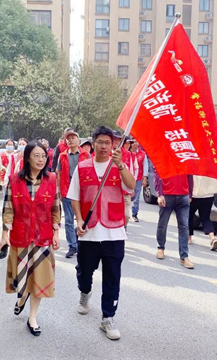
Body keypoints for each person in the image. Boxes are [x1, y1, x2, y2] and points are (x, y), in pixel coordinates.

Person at [68, 126, 135, 340]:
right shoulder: (82, 167)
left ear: (113, 144)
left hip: (114, 232)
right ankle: (84, 293)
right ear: (93, 143)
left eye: (108, 142)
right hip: (89, 232)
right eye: (100, 142)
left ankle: (108, 318)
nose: (104, 146)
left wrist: (121, 165)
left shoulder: (119, 166)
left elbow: (131, 185)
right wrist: (79, 219)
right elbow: (74, 197)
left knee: (112, 277)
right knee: (84, 272)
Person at [0, 141, 60, 337]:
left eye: (43, 156)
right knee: (23, 279)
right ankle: (22, 296)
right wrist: (4, 235)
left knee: (39, 279)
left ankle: (32, 318)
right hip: (21, 236)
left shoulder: (51, 179)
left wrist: (56, 232)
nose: (41, 160)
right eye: (36, 156)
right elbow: (8, 209)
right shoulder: (15, 180)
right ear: (27, 158)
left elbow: (55, 208)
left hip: (43, 238)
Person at [57, 130, 90, 258]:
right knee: (69, 221)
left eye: (73, 138)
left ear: (78, 141)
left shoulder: (86, 155)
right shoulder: (62, 156)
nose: (70, 140)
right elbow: (59, 174)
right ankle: (72, 246)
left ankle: (83, 243)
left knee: (83, 218)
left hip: (83, 192)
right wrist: (59, 191)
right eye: (68, 138)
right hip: (67, 191)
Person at [154, 170, 194, 269]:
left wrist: (190, 193)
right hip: (167, 194)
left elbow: (190, 174)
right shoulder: (165, 155)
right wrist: (160, 194)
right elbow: (157, 172)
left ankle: (184, 256)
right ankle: (161, 247)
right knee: (163, 224)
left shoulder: (184, 155)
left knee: (184, 226)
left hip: (183, 195)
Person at [112, 131, 137, 229]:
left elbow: (131, 170)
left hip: (125, 190)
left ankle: (123, 227)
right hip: (112, 189)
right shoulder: (106, 153)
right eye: (114, 139)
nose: (116, 142)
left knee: (126, 215)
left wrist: (132, 188)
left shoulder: (127, 154)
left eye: (118, 139)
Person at [189, 175, 217, 250]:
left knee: (189, 216)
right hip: (209, 195)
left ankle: (189, 237)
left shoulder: (192, 165)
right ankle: (212, 237)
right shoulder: (210, 166)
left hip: (194, 195)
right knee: (205, 218)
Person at [129, 138, 146, 222]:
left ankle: (134, 214)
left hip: (138, 178)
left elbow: (145, 166)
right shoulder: (127, 152)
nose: (135, 143)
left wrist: (145, 177)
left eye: (136, 141)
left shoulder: (142, 154)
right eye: (133, 142)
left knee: (136, 197)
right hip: (128, 178)